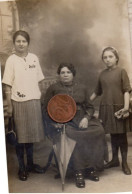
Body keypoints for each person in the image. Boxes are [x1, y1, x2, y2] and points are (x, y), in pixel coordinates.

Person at [42, 63, 108, 188]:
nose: (65, 75)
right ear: (59, 75)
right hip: (65, 120)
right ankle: (79, 171)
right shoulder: (53, 88)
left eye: (68, 72)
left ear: (73, 74)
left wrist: (86, 118)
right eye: (62, 72)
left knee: (98, 130)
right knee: (72, 134)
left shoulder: (82, 87)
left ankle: (91, 167)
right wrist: (54, 123)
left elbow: (89, 106)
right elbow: (46, 109)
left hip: (82, 118)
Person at [2, 30, 45, 181]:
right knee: (20, 137)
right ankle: (22, 168)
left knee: (31, 136)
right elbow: (7, 85)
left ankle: (31, 164)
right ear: (14, 43)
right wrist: (9, 105)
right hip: (18, 102)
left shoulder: (34, 58)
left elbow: (39, 80)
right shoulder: (11, 60)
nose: (21, 44)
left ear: (28, 43)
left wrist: (40, 99)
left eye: (24, 41)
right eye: (18, 41)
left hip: (33, 101)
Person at [90, 46, 131, 175]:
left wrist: (125, 108)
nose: (107, 59)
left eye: (110, 57)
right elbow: (97, 92)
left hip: (119, 107)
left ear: (116, 58)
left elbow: (126, 90)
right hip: (107, 108)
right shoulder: (102, 74)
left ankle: (124, 162)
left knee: (122, 135)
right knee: (113, 134)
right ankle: (114, 160)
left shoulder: (121, 71)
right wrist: (86, 102)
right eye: (105, 57)